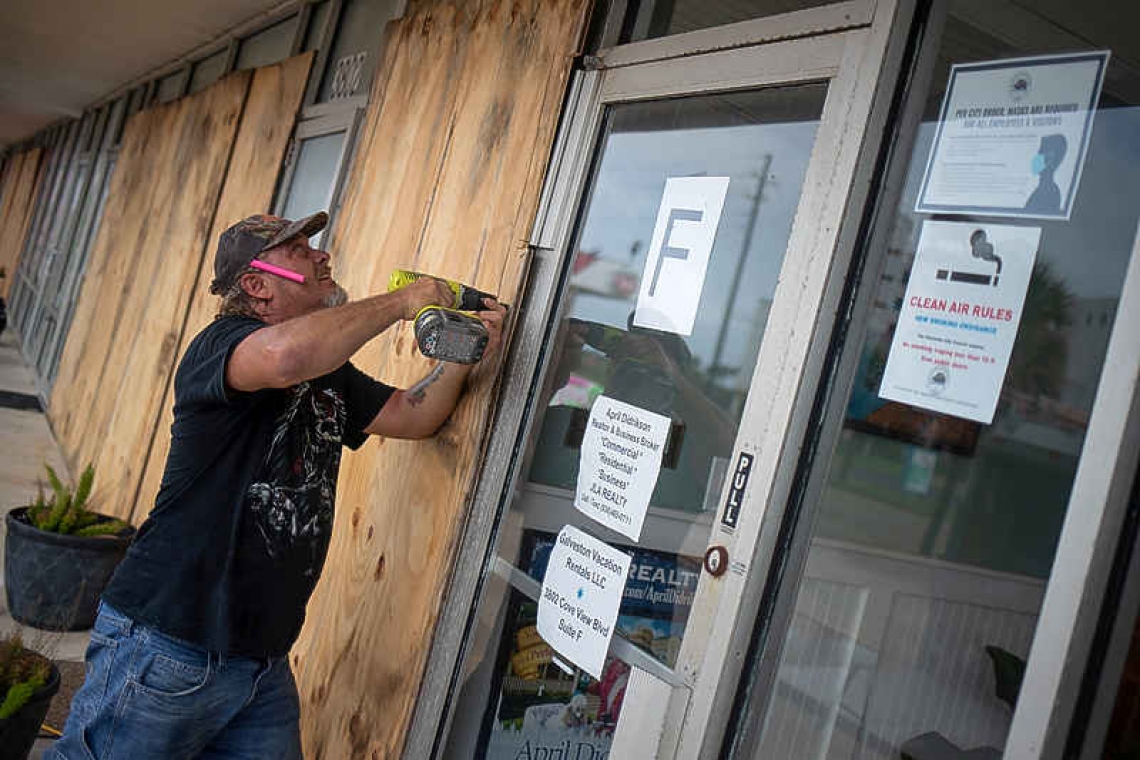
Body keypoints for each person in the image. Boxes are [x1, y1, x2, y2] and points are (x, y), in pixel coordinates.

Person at [50, 212, 506, 759]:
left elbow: (413, 415)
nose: (322, 256)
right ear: (257, 285)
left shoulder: (328, 370)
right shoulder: (221, 345)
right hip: (167, 643)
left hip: (259, 664)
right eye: (300, 250)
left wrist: (464, 352)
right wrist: (404, 303)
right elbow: (285, 355)